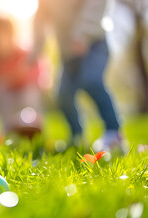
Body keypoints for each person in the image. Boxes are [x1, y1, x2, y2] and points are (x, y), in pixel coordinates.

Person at [31, 0, 122, 149]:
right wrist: (35, 52)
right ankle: (77, 136)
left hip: (93, 43)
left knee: (92, 81)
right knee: (63, 95)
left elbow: (96, 5)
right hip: (68, 53)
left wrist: (82, 35)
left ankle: (114, 133)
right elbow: (39, 23)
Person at [0, 16, 44, 139]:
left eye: (4, 34)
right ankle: (8, 130)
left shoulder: (23, 54)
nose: (1, 38)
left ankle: (33, 127)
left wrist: (21, 75)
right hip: (7, 98)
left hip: (25, 94)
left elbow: (37, 74)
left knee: (30, 94)